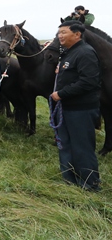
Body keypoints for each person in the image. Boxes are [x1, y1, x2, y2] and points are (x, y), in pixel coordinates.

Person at [50, 21, 101, 191]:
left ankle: (90, 184)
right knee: (65, 144)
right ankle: (69, 179)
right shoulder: (69, 53)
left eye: (63, 32)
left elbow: (88, 82)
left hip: (81, 110)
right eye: (59, 33)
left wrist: (61, 93)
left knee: (82, 147)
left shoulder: (85, 52)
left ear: (77, 34)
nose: (60, 36)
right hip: (67, 109)